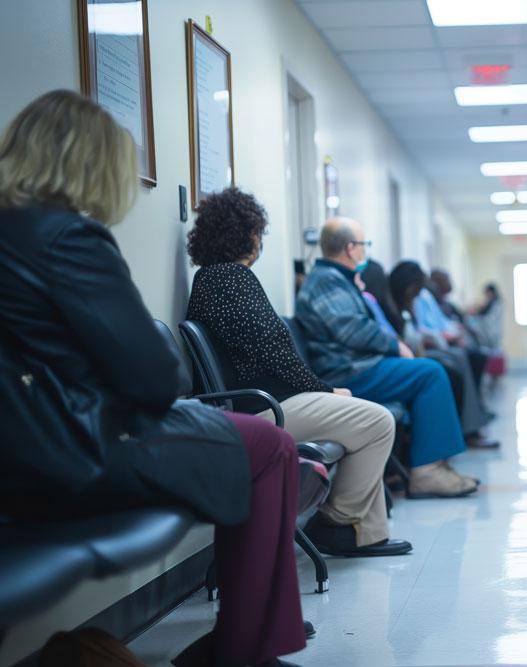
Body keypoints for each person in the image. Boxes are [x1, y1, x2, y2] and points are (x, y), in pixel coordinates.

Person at [0, 90, 305, 667]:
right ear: (96, 165)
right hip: (76, 449)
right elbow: (154, 377)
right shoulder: (68, 235)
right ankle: (246, 650)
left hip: (24, 445)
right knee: (271, 446)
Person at [185, 188, 411, 558]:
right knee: (379, 422)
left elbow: (269, 353)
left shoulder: (212, 279)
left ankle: (363, 531)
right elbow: (273, 353)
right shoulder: (232, 279)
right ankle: (338, 523)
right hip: (262, 410)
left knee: (367, 418)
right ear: (248, 234)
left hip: (255, 405)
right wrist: (325, 389)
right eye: (259, 232)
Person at [295, 217, 477, 497]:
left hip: (357, 365)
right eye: (363, 245)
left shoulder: (336, 280)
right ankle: (427, 471)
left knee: (429, 369)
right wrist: (394, 345)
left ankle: (435, 464)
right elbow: (352, 329)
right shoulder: (326, 281)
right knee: (430, 373)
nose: (364, 251)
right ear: (350, 248)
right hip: (347, 372)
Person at [389, 261, 498, 447]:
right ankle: (463, 432)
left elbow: (428, 328)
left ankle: (470, 424)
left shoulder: (419, 298)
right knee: (450, 364)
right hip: (418, 349)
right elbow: (410, 334)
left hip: (424, 346)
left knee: (465, 357)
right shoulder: (400, 302)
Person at [467, 283, 503, 351]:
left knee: (491, 351)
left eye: (486, 292)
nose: (485, 295)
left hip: (490, 332)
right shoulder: (495, 302)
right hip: (492, 332)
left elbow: (484, 314)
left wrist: (475, 312)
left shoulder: (494, 303)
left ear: (490, 292)